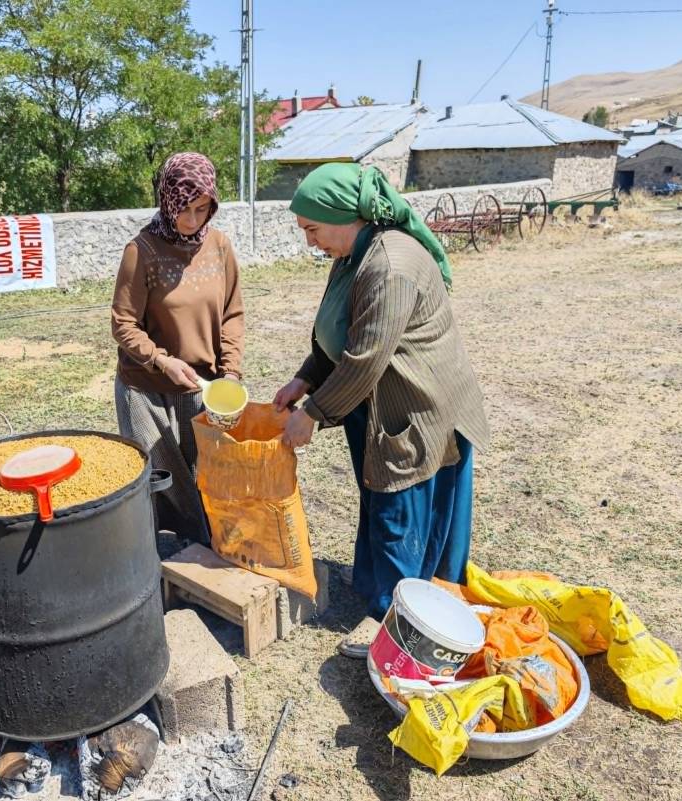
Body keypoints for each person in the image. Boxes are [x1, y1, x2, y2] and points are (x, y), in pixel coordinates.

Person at [272, 163, 489, 658]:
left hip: (416, 407)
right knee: (379, 495)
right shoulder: (354, 255)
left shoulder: (390, 265)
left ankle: (397, 619)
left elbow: (366, 358)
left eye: (312, 229)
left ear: (344, 215)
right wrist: (304, 378)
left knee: (399, 508)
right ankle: (377, 590)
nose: (310, 242)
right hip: (377, 403)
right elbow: (339, 333)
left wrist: (314, 412)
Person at [111, 152, 245, 543]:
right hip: (148, 388)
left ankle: (202, 551)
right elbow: (123, 323)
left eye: (201, 209)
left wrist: (230, 372)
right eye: (182, 209)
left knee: (204, 475)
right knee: (160, 481)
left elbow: (232, 313)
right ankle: (158, 560)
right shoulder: (142, 250)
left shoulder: (219, 247)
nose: (191, 220)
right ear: (167, 200)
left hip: (202, 387)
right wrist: (161, 361)